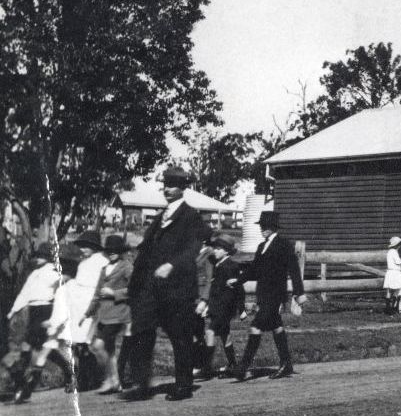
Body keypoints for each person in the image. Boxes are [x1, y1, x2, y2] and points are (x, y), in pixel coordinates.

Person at [121, 167, 210, 402]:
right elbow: (148, 248)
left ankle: (184, 385)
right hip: (151, 287)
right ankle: (141, 384)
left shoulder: (191, 216)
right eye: (165, 185)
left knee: (179, 335)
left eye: (172, 185)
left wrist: (172, 264)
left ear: (182, 189)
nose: (167, 189)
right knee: (142, 331)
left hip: (177, 288)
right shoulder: (161, 216)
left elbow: (193, 247)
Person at [231, 212, 307, 381]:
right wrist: (238, 280)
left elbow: (294, 269)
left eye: (265, 226)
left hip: (275, 295)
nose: (262, 229)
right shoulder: (261, 247)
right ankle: (286, 364)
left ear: (273, 227)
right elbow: (254, 270)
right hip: (263, 294)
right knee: (276, 326)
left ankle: (243, 367)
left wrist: (298, 292)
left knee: (256, 326)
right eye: (261, 226)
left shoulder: (283, 245)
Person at [4, 244, 74, 404]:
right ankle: (69, 371)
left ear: (48, 258)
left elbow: (66, 281)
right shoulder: (34, 273)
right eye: (38, 256)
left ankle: (25, 387)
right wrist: (13, 310)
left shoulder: (53, 273)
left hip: (46, 309)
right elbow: (24, 294)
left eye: (42, 256)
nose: (38, 259)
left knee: (34, 346)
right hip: (33, 311)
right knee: (43, 346)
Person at [83, 234, 132, 395]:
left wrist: (114, 293)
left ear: (121, 251)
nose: (111, 253)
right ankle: (116, 381)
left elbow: (135, 289)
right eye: (109, 250)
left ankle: (108, 379)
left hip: (118, 314)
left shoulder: (126, 266)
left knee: (98, 345)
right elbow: (97, 294)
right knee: (108, 350)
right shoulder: (104, 269)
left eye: (115, 250)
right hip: (103, 315)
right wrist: (88, 312)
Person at [197, 234, 245, 378]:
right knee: (225, 335)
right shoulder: (217, 265)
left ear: (226, 251)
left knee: (210, 332)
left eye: (218, 249)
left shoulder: (231, 266)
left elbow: (239, 289)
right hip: (217, 306)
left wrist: (241, 309)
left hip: (225, 307)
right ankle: (233, 364)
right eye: (215, 248)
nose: (215, 251)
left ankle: (206, 367)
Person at [66, 229, 107, 390]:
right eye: (81, 246)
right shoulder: (83, 263)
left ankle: (92, 378)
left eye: (86, 246)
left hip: (91, 305)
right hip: (78, 305)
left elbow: (99, 286)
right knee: (79, 344)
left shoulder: (101, 262)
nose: (83, 249)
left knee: (87, 342)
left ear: (95, 247)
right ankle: (85, 378)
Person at [383, 236, 401, 314]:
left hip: (390, 272)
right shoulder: (394, 252)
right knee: (397, 289)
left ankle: (388, 307)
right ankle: (392, 307)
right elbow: (399, 262)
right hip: (395, 272)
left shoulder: (389, 252)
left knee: (389, 290)